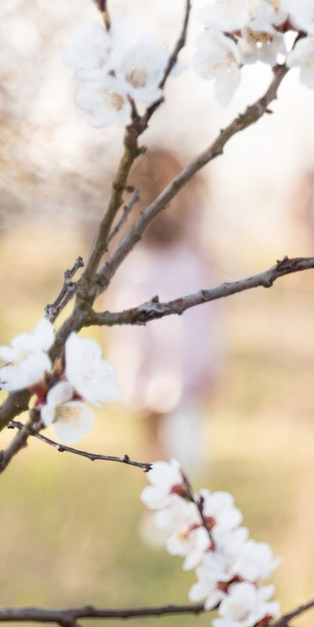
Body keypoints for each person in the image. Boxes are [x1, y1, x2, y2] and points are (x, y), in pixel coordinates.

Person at [107, 150, 225, 472]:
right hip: (150, 304)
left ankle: (176, 486)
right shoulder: (133, 221)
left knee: (180, 410)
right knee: (156, 410)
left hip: (178, 307)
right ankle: (160, 486)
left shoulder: (186, 218)